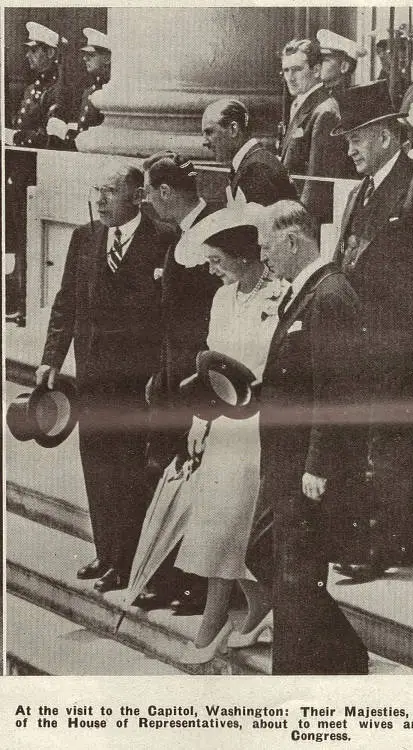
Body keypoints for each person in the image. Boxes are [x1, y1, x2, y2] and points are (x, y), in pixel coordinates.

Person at [331, 80, 413, 581]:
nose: (351, 150)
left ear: (385, 136)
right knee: (379, 447)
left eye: (356, 139)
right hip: (366, 345)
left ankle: (380, 548)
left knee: (390, 450)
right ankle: (401, 544)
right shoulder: (364, 189)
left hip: (406, 349)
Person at [36, 163, 172, 592]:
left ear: (136, 196)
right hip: (91, 375)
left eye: (109, 191)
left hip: (135, 381)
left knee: (128, 469)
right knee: (96, 464)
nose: (99, 199)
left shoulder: (164, 239)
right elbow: (66, 303)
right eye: (97, 190)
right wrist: (51, 358)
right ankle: (105, 550)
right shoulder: (85, 237)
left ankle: (127, 561)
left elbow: (168, 315)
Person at [259, 200, 369, 674]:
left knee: (296, 567)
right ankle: (342, 653)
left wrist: (318, 465)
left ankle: (299, 666)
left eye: (267, 248)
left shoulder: (331, 295)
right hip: (286, 455)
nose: (264, 258)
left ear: (291, 240)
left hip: (307, 461)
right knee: (273, 556)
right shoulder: (305, 292)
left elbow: (337, 388)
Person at [173, 204, 285, 663]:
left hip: (260, 429)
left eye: (217, 260)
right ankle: (258, 605)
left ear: (241, 257)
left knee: (229, 527)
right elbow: (212, 367)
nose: (212, 269)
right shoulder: (221, 298)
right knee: (218, 523)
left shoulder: (280, 296)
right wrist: (200, 423)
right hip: (222, 426)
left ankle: (213, 624)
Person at [139, 151, 220, 614]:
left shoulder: (211, 228)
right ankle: (170, 578)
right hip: (173, 374)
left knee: (195, 477)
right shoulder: (179, 233)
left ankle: (195, 585)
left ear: (165, 193)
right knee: (171, 471)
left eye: (149, 194)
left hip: (195, 377)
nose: (147, 203)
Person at [278, 38, 351, 223]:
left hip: (306, 219)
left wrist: (300, 224)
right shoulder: (304, 103)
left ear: (316, 70)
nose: (290, 77)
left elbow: (317, 184)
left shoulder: (324, 111)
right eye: (286, 70)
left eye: (297, 69)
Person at [201, 98, 298, 205]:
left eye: (209, 132)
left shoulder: (256, 168)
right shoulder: (254, 161)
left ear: (233, 129)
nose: (204, 142)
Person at [47, 28, 112, 148]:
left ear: (107, 59)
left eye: (91, 55)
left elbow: (102, 140)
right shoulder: (89, 91)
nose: (85, 58)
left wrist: (65, 133)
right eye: (85, 55)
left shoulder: (110, 93)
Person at [10, 22, 66, 148]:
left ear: (50, 53)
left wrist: (13, 137)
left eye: (34, 50)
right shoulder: (30, 89)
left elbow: (48, 139)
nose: (27, 55)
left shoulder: (58, 90)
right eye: (28, 51)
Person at [316, 29, 366, 97]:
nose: (319, 64)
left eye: (325, 60)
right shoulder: (323, 94)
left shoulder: (345, 98)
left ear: (344, 67)